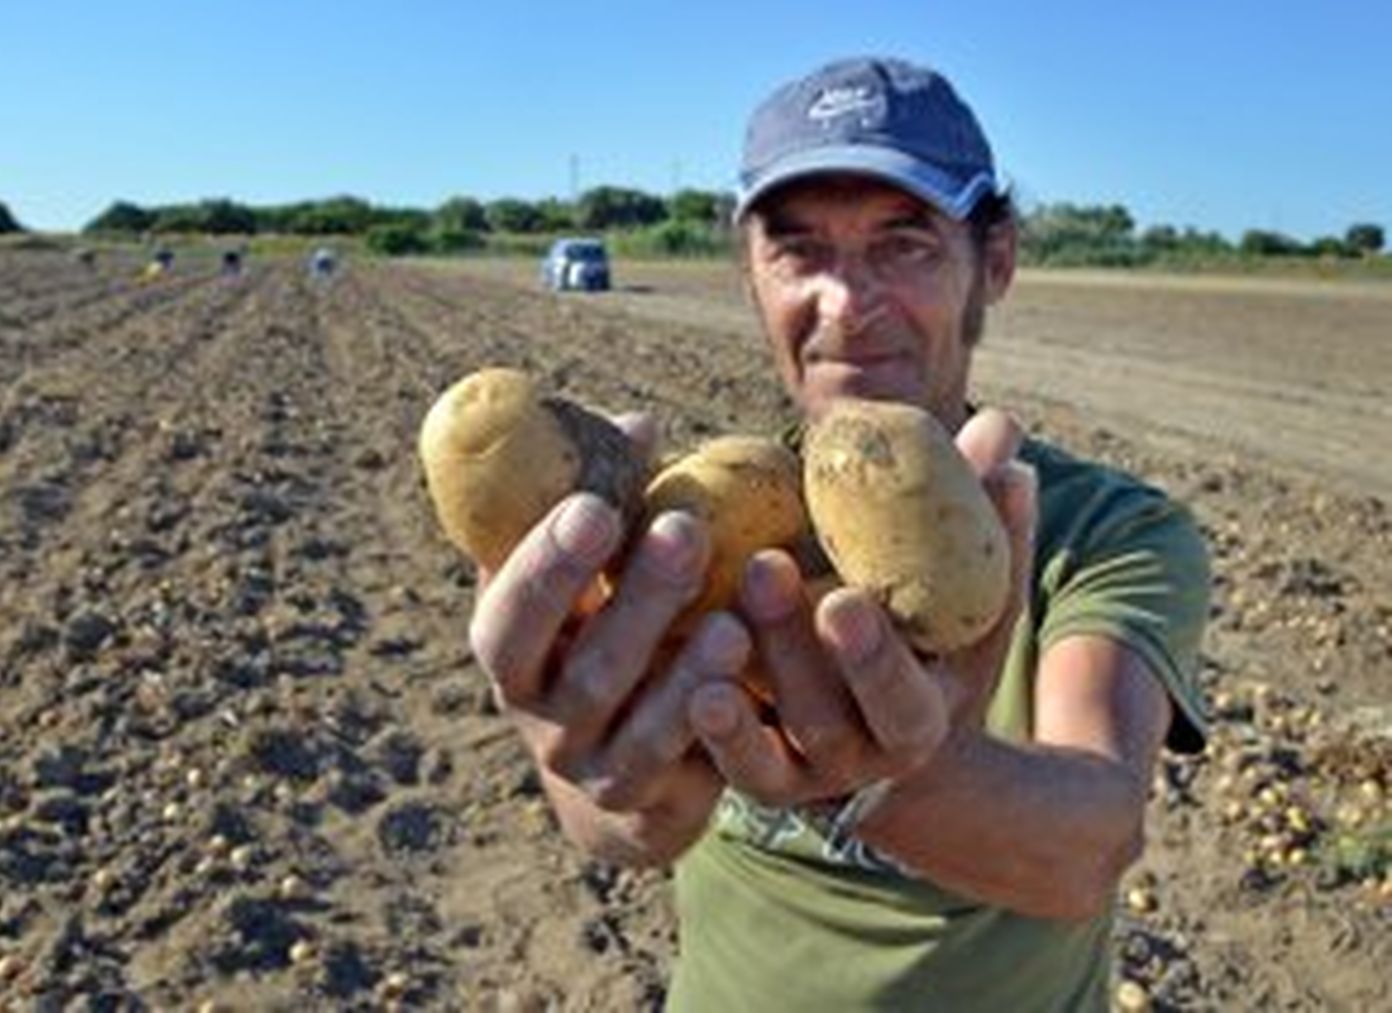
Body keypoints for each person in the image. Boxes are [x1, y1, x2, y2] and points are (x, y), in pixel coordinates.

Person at [466, 55, 1211, 1010]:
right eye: (800, 250)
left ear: (997, 260)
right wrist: (594, 762)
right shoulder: (690, 529)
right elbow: (624, 830)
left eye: (903, 245)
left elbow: (1088, 845)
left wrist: (908, 772)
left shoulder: (1101, 529)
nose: (847, 305)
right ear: (749, 273)